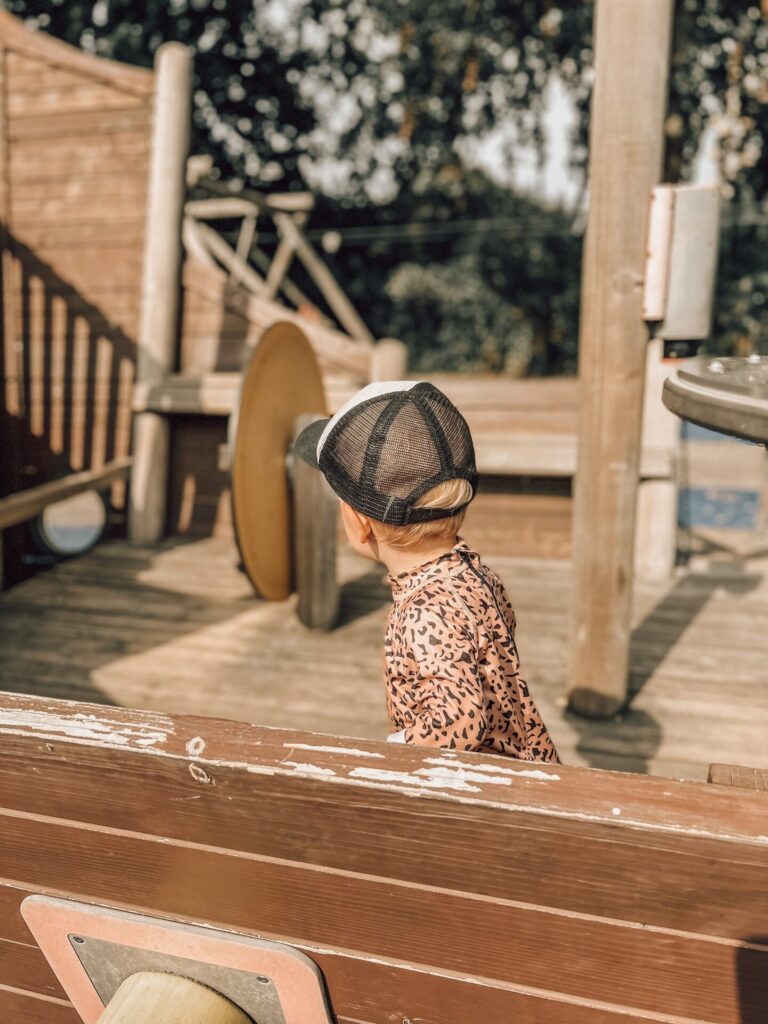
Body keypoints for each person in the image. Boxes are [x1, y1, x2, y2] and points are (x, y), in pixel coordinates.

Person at [295, 380, 558, 762]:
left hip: (481, 797)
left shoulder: (424, 612)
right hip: (531, 769)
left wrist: (390, 754)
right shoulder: (474, 572)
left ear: (359, 522)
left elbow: (461, 720)